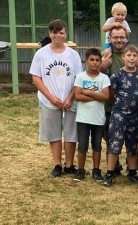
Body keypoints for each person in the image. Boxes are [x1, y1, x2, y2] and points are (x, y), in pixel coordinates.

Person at [30, 19, 82, 177]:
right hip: (49, 101)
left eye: (61, 32)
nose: (58, 35)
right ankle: (57, 164)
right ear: (49, 33)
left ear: (66, 34)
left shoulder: (73, 55)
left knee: (71, 133)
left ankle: (69, 165)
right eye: (54, 32)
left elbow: (78, 79)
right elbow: (36, 78)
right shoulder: (41, 54)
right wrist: (51, 97)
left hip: (70, 100)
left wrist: (70, 98)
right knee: (53, 133)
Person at [101, 44, 138, 186]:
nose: (132, 58)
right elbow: (111, 94)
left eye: (134, 56)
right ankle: (109, 173)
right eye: (129, 55)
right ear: (123, 57)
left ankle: (132, 172)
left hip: (135, 115)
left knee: (132, 144)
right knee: (115, 143)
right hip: (119, 114)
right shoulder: (116, 75)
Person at [73, 48, 110, 181]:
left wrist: (87, 92)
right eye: (91, 60)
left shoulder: (104, 78)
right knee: (82, 145)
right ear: (86, 61)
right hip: (83, 118)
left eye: (97, 60)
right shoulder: (80, 77)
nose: (94, 63)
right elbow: (77, 95)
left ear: (101, 62)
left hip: (98, 118)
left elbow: (106, 96)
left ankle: (96, 170)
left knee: (97, 145)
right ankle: (80, 170)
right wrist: (97, 95)